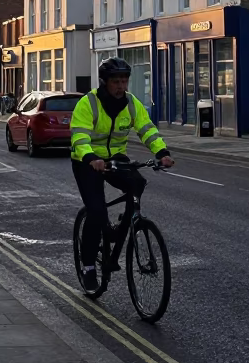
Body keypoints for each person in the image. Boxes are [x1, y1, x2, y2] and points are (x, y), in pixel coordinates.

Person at [70, 57, 174, 292]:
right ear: (105, 82)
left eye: (124, 81)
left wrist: (162, 152)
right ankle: (88, 267)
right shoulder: (88, 103)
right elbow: (79, 136)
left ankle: (120, 228)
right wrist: (91, 158)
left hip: (116, 158)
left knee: (138, 183)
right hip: (87, 161)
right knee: (96, 212)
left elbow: (147, 129)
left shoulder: (131, 103)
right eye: (116, 81)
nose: (121, 86)